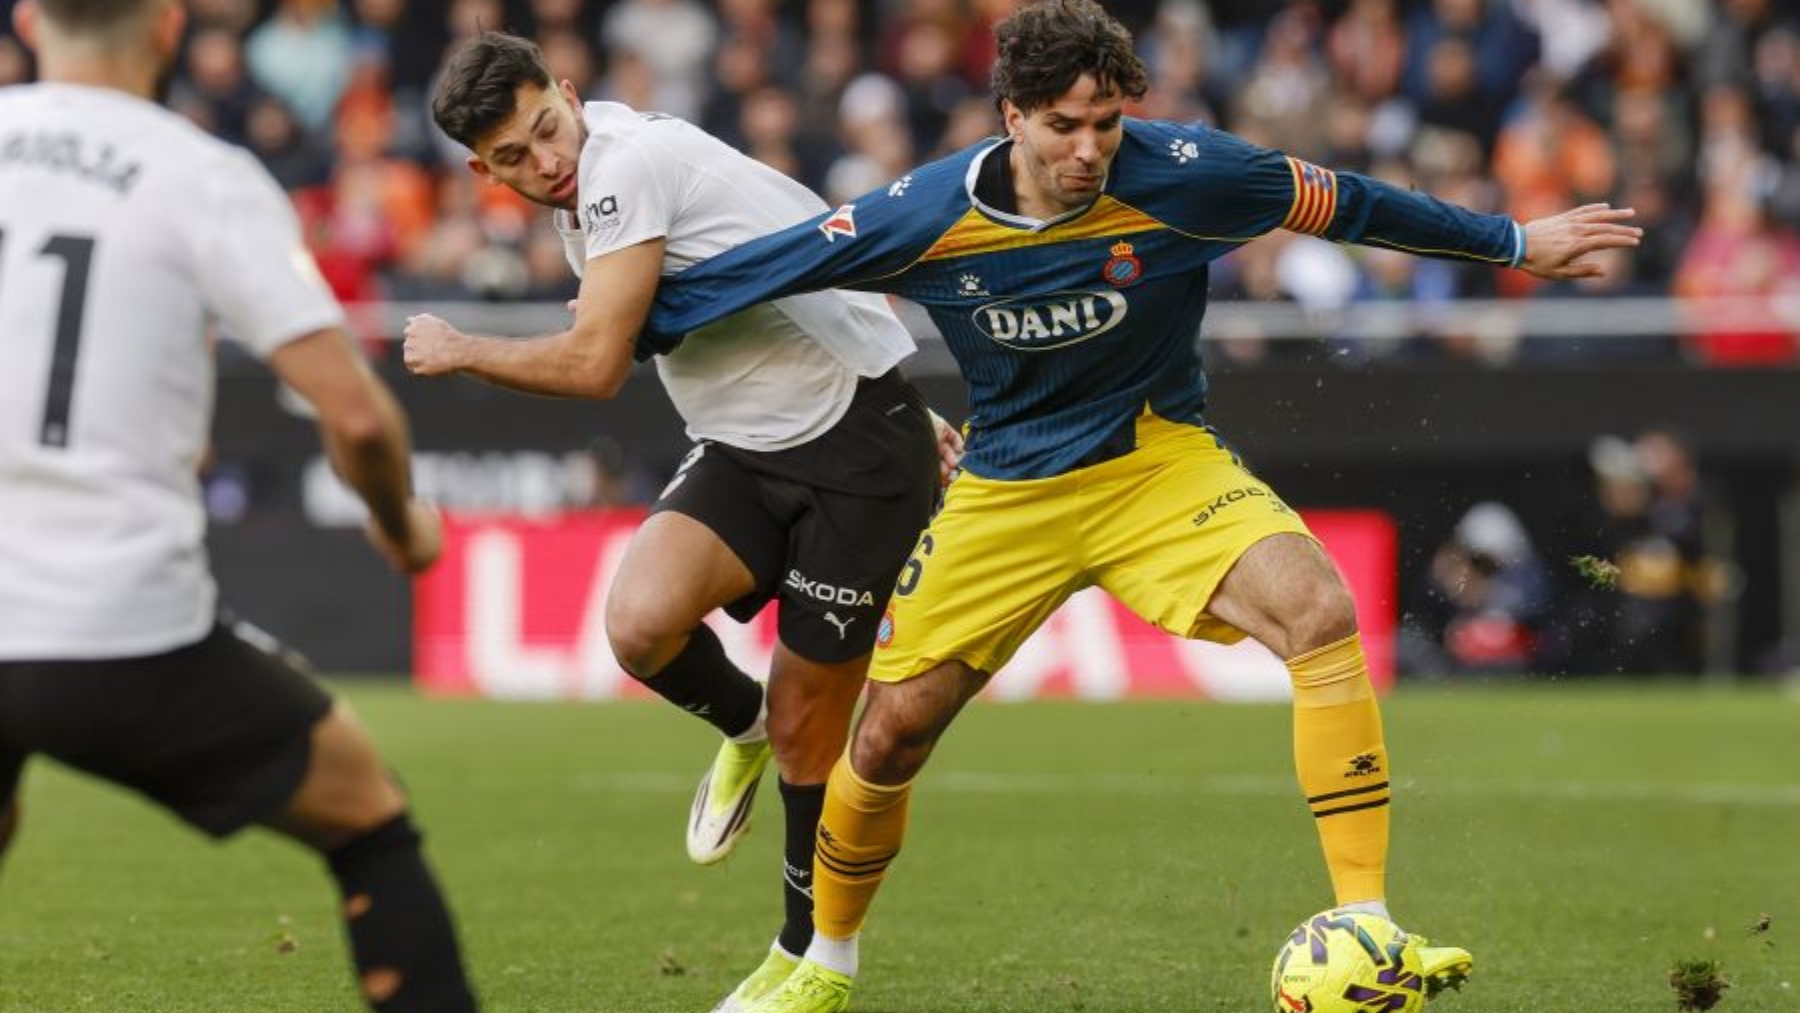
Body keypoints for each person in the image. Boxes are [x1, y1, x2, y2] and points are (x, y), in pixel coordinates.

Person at [643, 2, 1644, 1010]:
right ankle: (826, 963)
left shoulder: (1193, 172)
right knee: (891, 732)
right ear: (1012, 117)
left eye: (1107, 123)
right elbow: (772, 269)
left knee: (1319, 610)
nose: (1089, 150)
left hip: (1155, 464)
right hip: (1005, 487)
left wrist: (1515, 240)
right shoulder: (924, 211)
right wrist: (632, 314)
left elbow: (1350, 204)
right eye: (1065, 126)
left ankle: (1366, 922)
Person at [401, 32, 957, 1013]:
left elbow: (592, 365)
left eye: (547, 129)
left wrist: (459, 347)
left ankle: (818, 958)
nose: (546, 162)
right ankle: (735, 721)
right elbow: (787, 232)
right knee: (640, 623)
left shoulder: (626, 165)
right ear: (482, 171)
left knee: (809, 730)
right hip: (747, 443)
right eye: (516, 158)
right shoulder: (595, 176)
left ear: (569, 93)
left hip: (855, 452)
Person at [0, 2, 477, 1012]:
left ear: (33, 20)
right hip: (113, 623)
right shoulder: (200, 175)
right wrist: (402, 527)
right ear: (170, 27)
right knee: (367, 816)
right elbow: (355, 416)